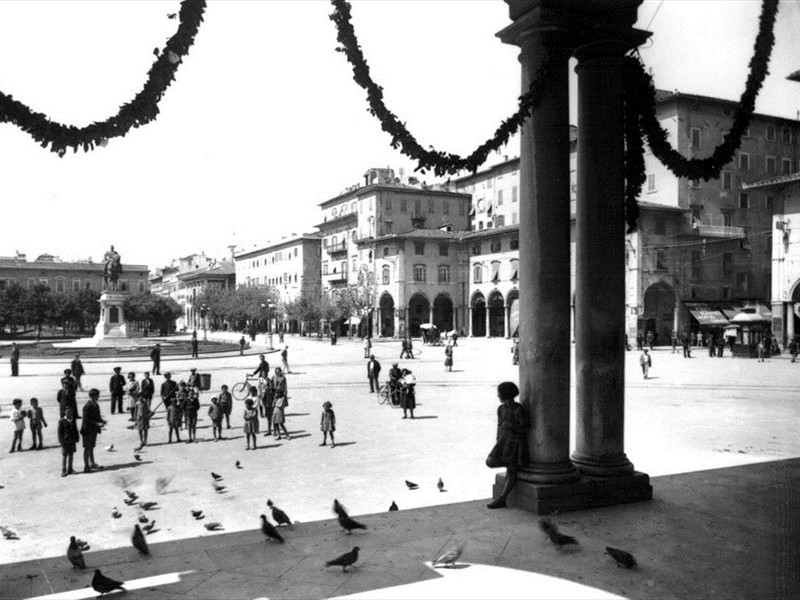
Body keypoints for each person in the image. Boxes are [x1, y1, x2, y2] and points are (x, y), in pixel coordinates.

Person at [486, 382, 530, 509]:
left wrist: (511, 426)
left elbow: (526, 428)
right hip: (503, 442)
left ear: (505, 395)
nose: (498, 395)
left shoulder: (519, 409)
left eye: (499, 393)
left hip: (515, 443)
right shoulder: (501, 409)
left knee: (511, 470)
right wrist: (498, 440)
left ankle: (503, 498)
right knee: (490, 461)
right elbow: (499, 426)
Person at [80, 389, 106, 472]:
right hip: (87, 430)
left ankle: (92, 463)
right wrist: (97, 424)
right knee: (87, 448)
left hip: (93, 430)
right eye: (97, 395)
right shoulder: (87, 407)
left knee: (91, 447)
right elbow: (86, 420)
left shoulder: (96, 405)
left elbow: (97, 417)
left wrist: (101, 421)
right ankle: (86, 466)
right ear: (93, 396)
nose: (98, 397)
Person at [57, 405, 80, 477]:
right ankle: (63, 469)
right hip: (65, 440)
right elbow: (59, 432)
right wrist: (61, 441)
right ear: (65, 412)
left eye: (70, 411)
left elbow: (75, 429)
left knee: (71, 454)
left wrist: (77, 437)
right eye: (67, 411)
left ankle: (70, 468)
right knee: (64, 455)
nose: (69, 413)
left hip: (72, 440)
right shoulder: (62, 421)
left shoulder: (73, 420)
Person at [271, 367, 290, 440]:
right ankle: (278, 434)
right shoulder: (273, 377)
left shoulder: (283, 378)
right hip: (276, 394)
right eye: (276, 372)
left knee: (280, 423)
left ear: (280, 371)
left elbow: (285, 387)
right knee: (276, 423)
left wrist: (284, 395)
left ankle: (285, 434)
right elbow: (272, 385)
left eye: (278, 371)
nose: (276, 373)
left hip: (281, 395)